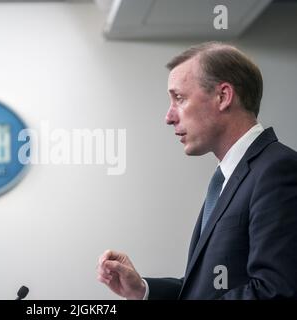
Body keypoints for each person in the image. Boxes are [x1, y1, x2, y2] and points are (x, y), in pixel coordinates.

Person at [97, 42, 297, 300]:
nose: (168, 117)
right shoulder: (227, 179)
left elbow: (276, 292)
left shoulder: (277, 170)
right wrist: (143, 290)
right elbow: (206, 291)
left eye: (179, 98)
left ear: (223, 96)